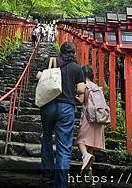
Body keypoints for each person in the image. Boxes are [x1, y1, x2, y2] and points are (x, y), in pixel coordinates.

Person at [36, 41, 86, 188]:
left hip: (48, 105)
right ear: (73, 53)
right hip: (66, 108)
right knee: (64, 147)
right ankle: (61, 183)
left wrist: (52, 76)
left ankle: (47, 173)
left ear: (61, 51)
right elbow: (81, 90)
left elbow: (38, 75)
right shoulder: (77, 68)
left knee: (46, 136)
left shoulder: (51, 61)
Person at [76, 65, 106, 171]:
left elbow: (80, 101)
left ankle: (85, 156)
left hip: (88, 116)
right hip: (98, 117)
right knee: (91, 144)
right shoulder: (96, 87)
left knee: (81, 140)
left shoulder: (84, 85)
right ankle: (88, 168)